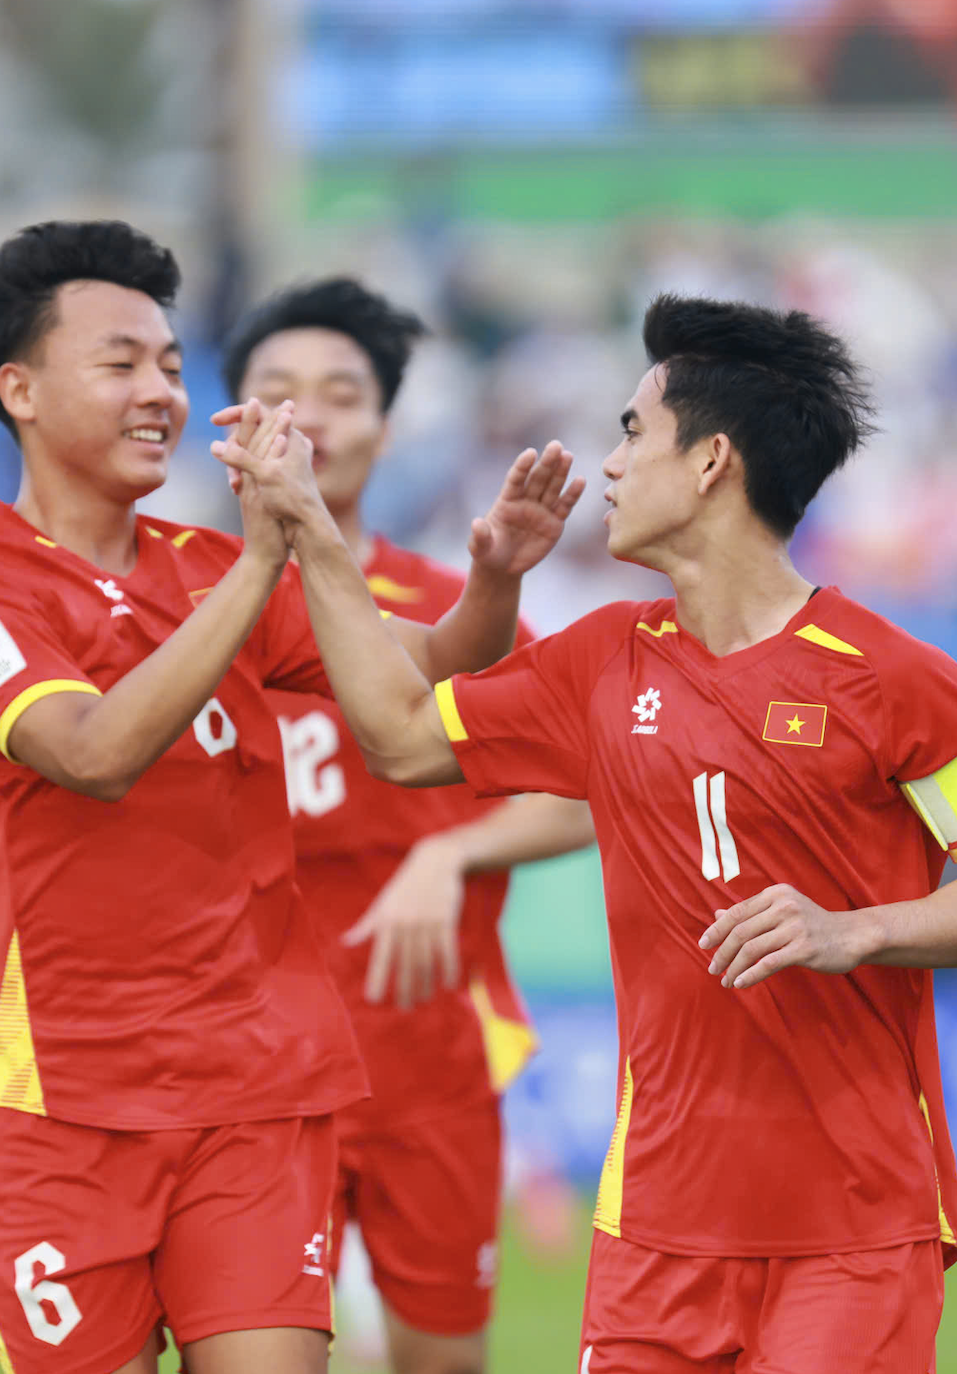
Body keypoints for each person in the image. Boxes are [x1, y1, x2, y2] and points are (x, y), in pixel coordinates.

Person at [211, 293, 957, 1372]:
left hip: (854, 1227)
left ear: (712, 462)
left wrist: (854, 929)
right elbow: (394, 734)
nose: (611, 466)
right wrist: (307, 525)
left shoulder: (900, 684)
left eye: (633, 433)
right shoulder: (599, 660)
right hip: (654, 1232)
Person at [0, 221, 578, 1374]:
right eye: (121, 364)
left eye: (171, 363)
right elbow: (94, 750)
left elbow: (426, 669)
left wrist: (498, 577)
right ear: (17, 388)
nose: (160, 391)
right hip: (55, 1097)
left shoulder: (209, 570)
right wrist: (266, 559)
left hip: (253, 1087)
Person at [221, 278, 596, 1374]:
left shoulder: (454, 606)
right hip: (244, 1069)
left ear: (386, 427)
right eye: (276, 391)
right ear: (229, 421)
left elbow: (584, 788)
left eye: (340, 393)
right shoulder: (174, 601)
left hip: (427, 1054)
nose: (309, 418)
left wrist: (452, 847)